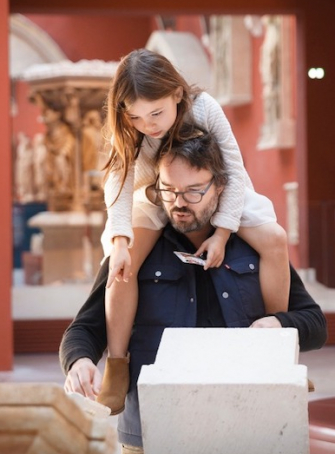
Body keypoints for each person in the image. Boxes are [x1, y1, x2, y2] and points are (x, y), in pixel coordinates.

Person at [60, 131, 327, 453]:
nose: (180, 203)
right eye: (169, 191)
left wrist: (279, 324)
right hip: (153, 431)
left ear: (220, 187)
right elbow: (85, 328)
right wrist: (79, 362)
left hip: (248, 425)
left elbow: (314, 325)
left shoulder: (254, 248)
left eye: (194, 191)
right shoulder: (135, 253)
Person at [99, 48, 290, 414]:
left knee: (276, 239)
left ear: (176, 94)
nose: (148, 124)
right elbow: (118, 185)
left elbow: (233, 169)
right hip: (157, 193)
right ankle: (117, 366)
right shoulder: (130, 130)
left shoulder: (204, 108)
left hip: (217, 189)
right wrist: (120, 242)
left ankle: (276, 352)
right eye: (136, 116)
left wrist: (221, 232)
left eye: (156, 113)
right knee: (120, 267)